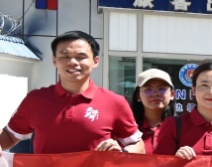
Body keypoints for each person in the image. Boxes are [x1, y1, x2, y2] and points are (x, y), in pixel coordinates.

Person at [1, 31, 142, 154]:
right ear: (55, 61)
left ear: (95, 61)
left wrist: (122, 151)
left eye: (81, 56)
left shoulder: (114, 102)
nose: (73, 62)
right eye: (65, 56)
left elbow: (139, 146)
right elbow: (9, 136)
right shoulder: (35, 100)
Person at [153, 61, 212, 158]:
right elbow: (159, 164)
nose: (211, 92)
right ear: (194, 89)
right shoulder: (172, 125)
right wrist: (175, 159)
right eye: (204, 85)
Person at [129, 68, 175, 153]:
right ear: (138, 96)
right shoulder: (128, 128)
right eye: (148, 90)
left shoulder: (182, 127)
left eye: (161, 89)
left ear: (172, 94)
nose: (155, 94)